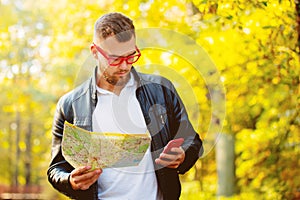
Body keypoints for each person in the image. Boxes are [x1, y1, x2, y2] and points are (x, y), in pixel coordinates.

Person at [47, 12, 203, 200]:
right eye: (115, 58)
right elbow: (56, 168)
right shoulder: (70, 105)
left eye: (130, 56)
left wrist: (183, 156)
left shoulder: (161, 90)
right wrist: (70, 181)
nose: (124, 66)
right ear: (95, 52)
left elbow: (192, 140)